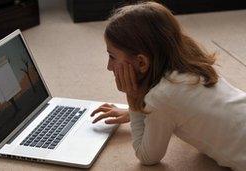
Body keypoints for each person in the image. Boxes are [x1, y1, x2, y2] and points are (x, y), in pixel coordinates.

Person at [90, 2, 246, 171]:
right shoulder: (191, 65)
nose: (108, 66)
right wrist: (141, 111)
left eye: (112, 57)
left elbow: (147, 157)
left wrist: (134, 102)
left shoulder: (162, 98)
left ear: (141, 62)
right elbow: (182, 107)